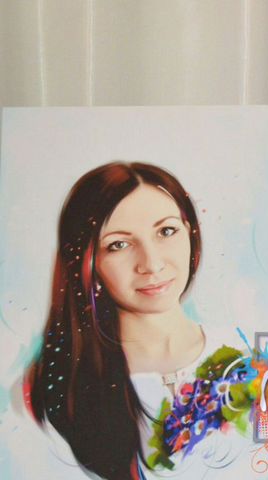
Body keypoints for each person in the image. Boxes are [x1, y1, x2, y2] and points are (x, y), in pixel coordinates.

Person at [27, 162, 206, 479]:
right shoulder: (57, 389)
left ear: (190, 232)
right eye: (119, 245)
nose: (151, 264)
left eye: (166, 231)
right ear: (87, 262)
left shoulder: (253, 357)